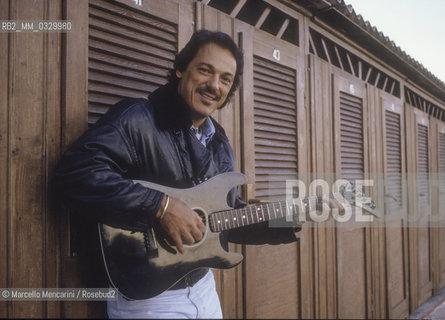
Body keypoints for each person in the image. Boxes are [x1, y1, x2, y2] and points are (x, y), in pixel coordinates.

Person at [54, 30, 301, 319]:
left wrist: (295, 215)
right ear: (181, 69)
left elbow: (227, 220)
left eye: (225, 79)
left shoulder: (220, 144)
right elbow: (74, 172)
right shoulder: (136, 118)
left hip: (204, 289)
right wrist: (161, 207)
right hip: (148, 300)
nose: (213, 85)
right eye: (205, 70)